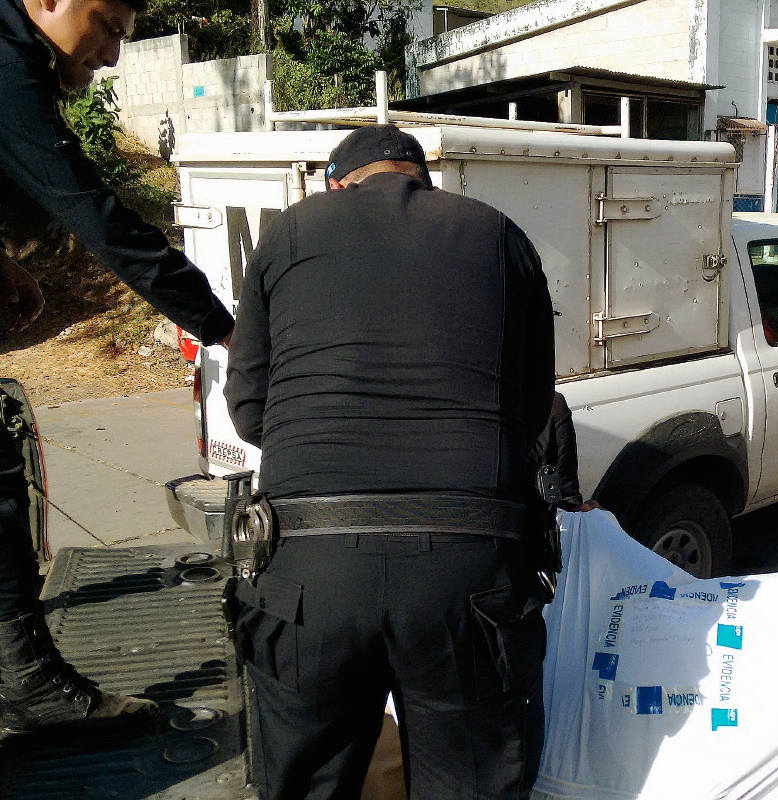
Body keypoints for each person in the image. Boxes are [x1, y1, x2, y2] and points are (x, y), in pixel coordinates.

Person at [224, 124, 556, 798]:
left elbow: (251, 407)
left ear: (337, 183)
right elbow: (532, 405)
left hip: (307, 574)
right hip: (469, 575)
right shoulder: (498, 234)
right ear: (420, 176)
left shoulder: (287, 234)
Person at [0, 0, 235, 742]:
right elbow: (91, 210)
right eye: (106, 25)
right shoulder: (7, 61)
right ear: (47, 2)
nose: (110, 54)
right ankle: (30, 687)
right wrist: (222, 324)